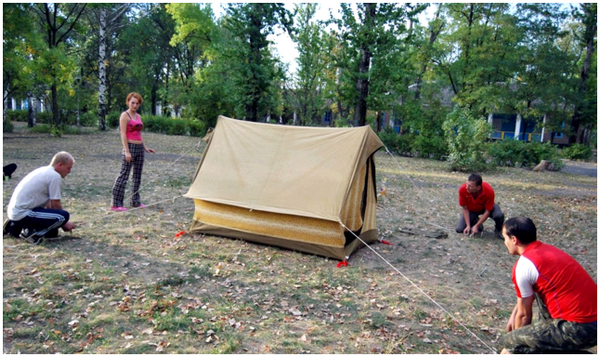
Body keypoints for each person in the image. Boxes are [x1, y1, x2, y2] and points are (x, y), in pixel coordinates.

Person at [498, 217, 597, 354]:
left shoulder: (523, 265)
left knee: (510, 342)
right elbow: (524, 299)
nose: (505, 242)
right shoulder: (547, 251)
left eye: (505, 238)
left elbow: (524, 315)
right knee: (538, 295)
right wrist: (514, 315)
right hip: (592, 322)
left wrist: (514, 343)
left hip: (578, 327)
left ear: (514, 240)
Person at [4, 152, 76, 244]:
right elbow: (56, 204)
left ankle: (14, 226)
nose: (69, 171)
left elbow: (50, 205)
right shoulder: (54, 176)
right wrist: (64, 223)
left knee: (52, 232)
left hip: (15, 212)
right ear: (60, 164)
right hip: (23, 213)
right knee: (62, 216)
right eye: (68, 168)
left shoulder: (43, 171)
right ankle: (32, 235)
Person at [111, 92, 155, 211]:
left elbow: (139, 134)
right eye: (132, 103)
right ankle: (116, 203)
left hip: (139, 148)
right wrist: (127, 151)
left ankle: (135, 201)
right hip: (129, 147)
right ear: (128, 102)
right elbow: (123, 134)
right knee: (124, 175)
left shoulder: (138, 116)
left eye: (137, 103)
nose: (135, 105)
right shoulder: (124, 115)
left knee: (137, 176)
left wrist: (145, 147)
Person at [456, 173, 504, 237]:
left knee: (498, 215)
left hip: (486, 208)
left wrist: (477, 225)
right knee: (460, 229)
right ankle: (475, 222)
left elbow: (488, 211)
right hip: (472, 209)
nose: (467, 187)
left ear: (478, 187)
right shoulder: (463, 189)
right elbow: (465, 208)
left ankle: (498, 230)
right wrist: (468, 225)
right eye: (467, 184)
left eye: (470, 186)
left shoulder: (489, 191)